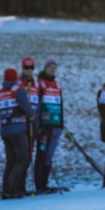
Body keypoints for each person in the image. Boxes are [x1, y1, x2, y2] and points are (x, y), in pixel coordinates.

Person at [0, 68, 33, 199]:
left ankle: (6, 189)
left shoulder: (0, 92)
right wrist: (32, 114)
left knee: (11, 160)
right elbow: (27, 109)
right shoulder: (17, 90)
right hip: (17, 129)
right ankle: (12, 188)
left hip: (5, 130)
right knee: (24, 159)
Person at [34, 59, 63, 194]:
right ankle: (39, 185)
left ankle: (44, 183)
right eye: (50, 67)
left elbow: (60, 104)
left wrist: (61, 123)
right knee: (41, 154)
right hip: (43, 126)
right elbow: (37, 104)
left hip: (55, 125)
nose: (52, 69)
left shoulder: (57, 84)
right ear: (45, 68)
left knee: (49, 156)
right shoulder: (40, 83)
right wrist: (38, 124)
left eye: (54, 67)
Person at [18, 57, 39, 192]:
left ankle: (23, 186)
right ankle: (18, 185)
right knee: (22, 155)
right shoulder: (18, 83)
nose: (29, 71)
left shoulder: (36, 84)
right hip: (22, 123)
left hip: (34, 123)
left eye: (31, 68)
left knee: (29, 155)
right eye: (26, 68)